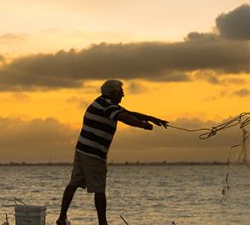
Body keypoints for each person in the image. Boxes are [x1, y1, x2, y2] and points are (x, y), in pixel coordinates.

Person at [56, 79, 168, 225]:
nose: (123, 95)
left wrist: (153, 119)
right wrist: (144, 126)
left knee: (74, 182)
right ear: (113, 93)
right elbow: (125, 117)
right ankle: (103, 223)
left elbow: (129, 112)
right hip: (94, 154)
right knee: (99, 189)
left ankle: (61, 218)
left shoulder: (103, 102)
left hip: (82, 150)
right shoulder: (108, 107)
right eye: (121, 92)